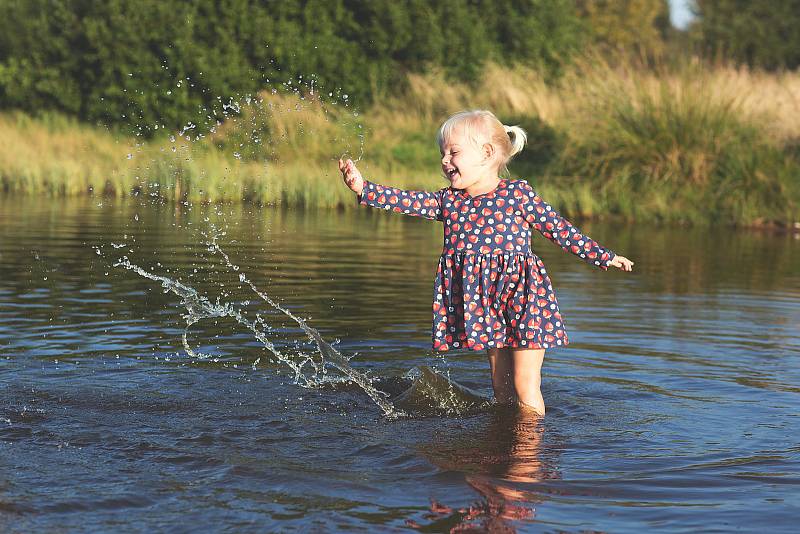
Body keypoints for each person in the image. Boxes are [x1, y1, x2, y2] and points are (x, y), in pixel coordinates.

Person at [338, 110, 634, 416]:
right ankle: (505, 438)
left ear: (487, 153)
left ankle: (529, 449)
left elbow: (558, 229)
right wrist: (364, 188)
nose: (444, 160)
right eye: (442, 153)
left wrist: (603, 255)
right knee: (501, 387)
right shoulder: (449, 201)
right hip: (485, 303)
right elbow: (407, 200)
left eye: (453, 152)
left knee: (524, 382)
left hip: (523, 298)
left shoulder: (517, 195)